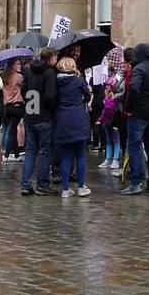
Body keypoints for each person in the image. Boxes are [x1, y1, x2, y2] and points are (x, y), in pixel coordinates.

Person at [123, 42, 149, 195]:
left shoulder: (138, 69)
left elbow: (133, 88)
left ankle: (135, 182)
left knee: (133, 146)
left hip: (138, 112)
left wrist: (129, 108)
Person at [20, 46, 59, 195]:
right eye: (55, 57)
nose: (56, 60)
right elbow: (50, 95)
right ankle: (42, 185)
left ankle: (25, 184)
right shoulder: (49, 72)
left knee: (30, 151)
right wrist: (50, 108)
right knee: (45, 152)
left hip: (30, 115)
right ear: (50, 59)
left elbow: (23, 90)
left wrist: (31, 102)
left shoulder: (29, 71)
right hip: (44, 117)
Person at [53, 57, 91, 198]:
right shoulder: (78, 80)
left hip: (62, 119)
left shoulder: (56, 82)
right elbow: (87, 96)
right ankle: (81, 187)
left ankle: (65, 189)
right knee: (80, 155)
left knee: (66, 155)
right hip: (78, 118)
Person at [97, 74, 123, 174]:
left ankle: (115, 160)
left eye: (108, 85)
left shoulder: (116, 97)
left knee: (116, 141)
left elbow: (117, 111)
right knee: (108, 141)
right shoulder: (106, 96)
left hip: (114, 122)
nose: (107, 86)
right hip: (107, 122)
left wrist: (116, 124)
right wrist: (100, 119)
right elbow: (104, 110)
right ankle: (108, 159)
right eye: (106, 85)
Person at [0, 59, 25, 162]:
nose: (20, 65)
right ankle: (6, 155)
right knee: (11, 131)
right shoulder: (19, 76)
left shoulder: (4, 76)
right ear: (12, 65)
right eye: (17, 63)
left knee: (12, 130)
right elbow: (25, 89)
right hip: (17, 106)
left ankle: (16, 155)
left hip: (7, 107)